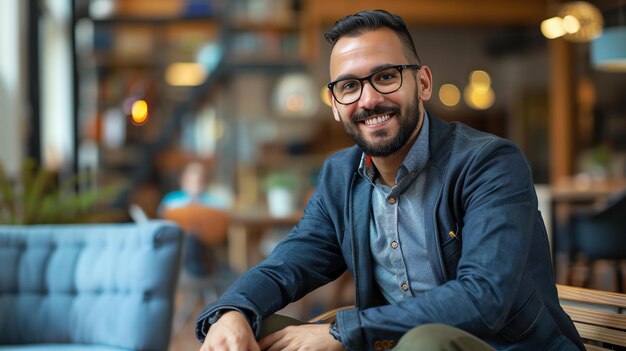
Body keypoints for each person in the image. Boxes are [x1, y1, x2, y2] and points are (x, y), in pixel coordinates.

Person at [195, 9, 584, 351]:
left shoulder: (489, 163)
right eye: (349, 86)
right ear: (334, 105)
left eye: (385, 76)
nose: (367, 100)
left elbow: (484, 298)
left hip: (501, 346)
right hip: (389, 343)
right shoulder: (340, 176)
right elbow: (287, 265)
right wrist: (233, 310)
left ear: (423, 83)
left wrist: (343, 331)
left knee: (425, 342)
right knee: (255, 330)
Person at [159, 161, 232, 276]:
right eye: (191, 180)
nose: (195, 184)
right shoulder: (171, 200)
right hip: (178, 243)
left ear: (204, 182)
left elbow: (221, 221)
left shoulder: (214, 201)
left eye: (199, 180)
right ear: (184, 181)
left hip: (207, 245)